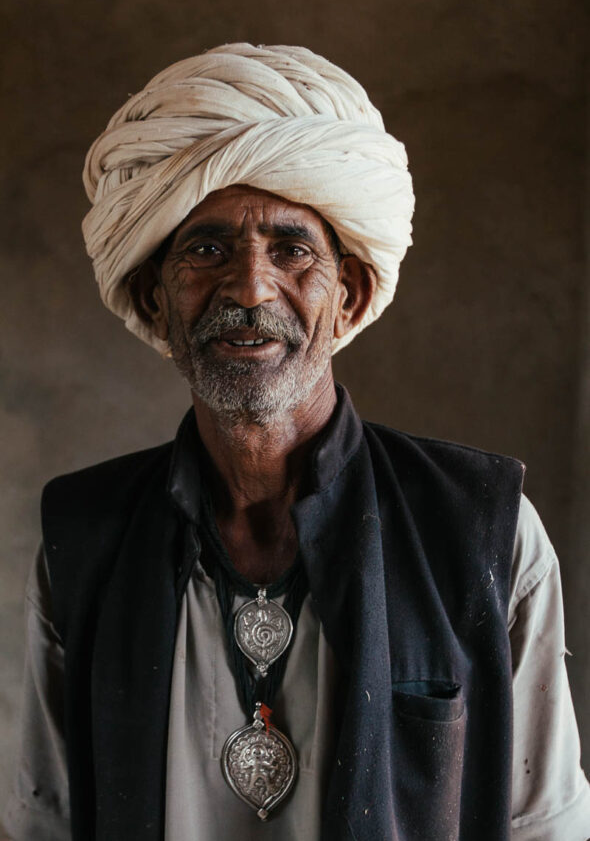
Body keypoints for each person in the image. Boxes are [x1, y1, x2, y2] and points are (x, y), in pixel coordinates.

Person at [4, 43, 590, 841]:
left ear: (346, 296)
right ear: (156, 297)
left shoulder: (487, 535)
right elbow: (40, 823)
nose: (250, 287)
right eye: (206, 248)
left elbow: (547, 827)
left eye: (291, 248)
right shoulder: (83, 542)